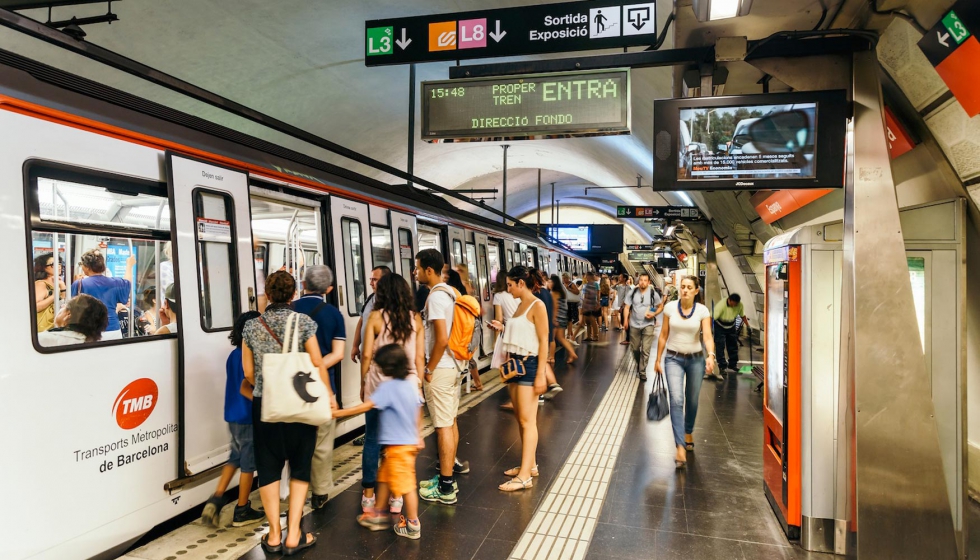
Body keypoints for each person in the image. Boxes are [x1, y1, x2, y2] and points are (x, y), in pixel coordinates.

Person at [241, 270, 336, 555]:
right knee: (300, 465)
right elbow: (317, 363)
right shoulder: (304, 322)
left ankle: (273, 535)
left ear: (267, 295)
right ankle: (294, 534)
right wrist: (329, 395)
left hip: (266, 406)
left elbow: (247, 372)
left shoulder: (252, 326)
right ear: (294, 294)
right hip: (300, 404)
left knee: (268, 468)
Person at [335, 344, 423, 539]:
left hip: (398, 448)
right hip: (403, 445)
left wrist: (338, 413)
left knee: (407, 486)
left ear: (387, 368)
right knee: (383, 479)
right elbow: (418, 408)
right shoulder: (410, 384)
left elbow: (366, 407)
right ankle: (378, 514)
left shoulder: (388, 388)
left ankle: (413, 524)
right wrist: (418, 435)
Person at [358, 273, 425, 517]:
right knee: (399, 443)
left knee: (373, 440)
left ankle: (368, 496)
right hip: (406, 388)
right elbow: (419, 357)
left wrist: (363, 381)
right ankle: (396, 498)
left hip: (378, 386)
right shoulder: (415, 319)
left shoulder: (376, 317)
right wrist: (418, 384)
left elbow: (366, 355)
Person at [201, 311, 265, 528]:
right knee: (248, 465)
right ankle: (242, 509)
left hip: (232, 415)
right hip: (248, 416)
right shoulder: (251, 356)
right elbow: (246, 387)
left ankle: (216, 499)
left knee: (235, 457)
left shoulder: (233, 354)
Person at [488, 266, 550, 491]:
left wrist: (541, 374)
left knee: (527, 421)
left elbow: (543, 340)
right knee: (520, 419)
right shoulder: (520, 305)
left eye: (511, 285)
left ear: (521, 284)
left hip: (529, 365)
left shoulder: (537, 305)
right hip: (515, 366)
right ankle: (530, 465)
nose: (509, 289)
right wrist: (503, 327)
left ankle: (524, 476)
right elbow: (524, 331)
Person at [291, 265, 346, 509]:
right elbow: (338, 354)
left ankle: (295, 490)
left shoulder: (289, 310)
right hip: (323, 387)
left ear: (303, 285)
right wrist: (315, 367)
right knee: (322, 442)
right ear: (329, 289)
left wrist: (301, 366)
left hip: (289, 385)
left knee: (296, 439)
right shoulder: (334, 314)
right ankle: (320, 492)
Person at [415, 249, 465, 505]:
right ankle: (447, 477)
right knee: (451, 420)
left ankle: (446, 487)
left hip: (442, 368)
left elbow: (441, 339)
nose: (415, 273)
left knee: (443, 425)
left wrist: (429, 368)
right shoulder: (452, 292)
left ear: (429, 270)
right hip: (455, 366)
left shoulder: (436, 298)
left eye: (418, 269)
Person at [653, 276, 716, 468]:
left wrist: (710, 355)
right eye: (682, 287)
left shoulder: (702, 310)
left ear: (696, 291)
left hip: (696, 359)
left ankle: (688, 430)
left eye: (689, 287)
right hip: (673, 358)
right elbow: (663, 335)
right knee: (677, 400)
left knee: (693, 400)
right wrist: (657, 359)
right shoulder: (670, 308)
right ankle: (680, 445)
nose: (685, 290)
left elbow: (707, 336)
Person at [71, 249, 134, 339]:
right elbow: (127, 282)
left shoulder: (79, 284)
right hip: (113, 330)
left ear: (87, 267)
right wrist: (129, 266)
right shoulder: (115, 282)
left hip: (89, 330)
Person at [443, 266, 484, 391]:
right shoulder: (464, 289)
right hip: (467, 328)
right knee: (468, 357)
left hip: (461, 329)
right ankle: (477, 382)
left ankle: (477, 383)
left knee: (466, 357)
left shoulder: (452, 293)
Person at [623, 273, 664, 382]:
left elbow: (660, 306)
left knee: (646, 350)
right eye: (641, 280)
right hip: (634, 324)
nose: (643, 282)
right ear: (638, 281)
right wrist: (625, 320)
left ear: (649, 282)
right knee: (635, 348)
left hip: (648, 324)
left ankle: (642, 371)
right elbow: (626, 307)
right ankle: (639, 364)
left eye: (645, 280)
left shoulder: (652, 293)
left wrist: (653, 313)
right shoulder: (632, 292)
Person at [351, 266, 392, 365]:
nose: (371, 283)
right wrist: (355, 346)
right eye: (371, 279)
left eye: (374, 280)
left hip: (382, 358)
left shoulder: (391, 302)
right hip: (366, 356)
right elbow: (361, 321)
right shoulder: (370, 298)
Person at [38, 294, 108, 346]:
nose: (62, 306)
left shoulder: (42, 340)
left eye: (65, 306)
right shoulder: (103, 343)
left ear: (68, 314)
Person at [712, 293, 748, 378]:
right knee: (720, 346)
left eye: (736, 304)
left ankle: (732, 364)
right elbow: (711, 317)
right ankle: (722, 366)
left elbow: (743, 315)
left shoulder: (739, 305)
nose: (734, 305)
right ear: (729, 300)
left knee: (733, 345)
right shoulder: (721, 305)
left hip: (731, 325)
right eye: (733, 303)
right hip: (720, 325)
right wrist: (709, 330)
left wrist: (748, 326)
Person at [34, 253, 67, 333]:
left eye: (59, 263)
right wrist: (54, 296)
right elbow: (36, 307)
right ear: (43, 268)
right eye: (53, 264)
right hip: (45, 329)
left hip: (56, 326)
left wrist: (62, 287)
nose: (59, 266)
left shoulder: (58, 283)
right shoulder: (41, 284)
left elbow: (64, 302)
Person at [550, 274, 577, 363]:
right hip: (563, 317)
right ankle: (572, 353)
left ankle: (551, 357)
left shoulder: (554, 293)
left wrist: (553, 319)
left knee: (552, 338)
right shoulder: (561, 291)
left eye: (550, 281)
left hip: (557, 318)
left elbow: (555, 306)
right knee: (561, 338)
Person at [492, 273, 518, 345]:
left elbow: (499, 319)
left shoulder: (498, 296)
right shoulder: (517, 293)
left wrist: (496, 341)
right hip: (521, 328)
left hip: (509, 330)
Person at [580, 272, 600, 341]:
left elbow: (586, 296)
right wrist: (598, 303)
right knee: (588, 321)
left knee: (592, 321)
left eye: (586, 276)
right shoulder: (594, 284)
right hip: (591, 304)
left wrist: (583, 306)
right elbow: (598, 295)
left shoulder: (589, 285)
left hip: (590, 305)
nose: (585, 277)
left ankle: (595, 336)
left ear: (589, 276)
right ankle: (589, 336)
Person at [562, 273, 581, 344]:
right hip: (566, 302)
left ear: (568, 278)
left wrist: (569, 289)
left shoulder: (571, 284)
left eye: (565, 278)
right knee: (568, 319)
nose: (564, 280)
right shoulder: (563, 284)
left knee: (569, 319)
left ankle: (568, 335)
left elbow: (577, 292)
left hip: (571, 303)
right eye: (563, 278)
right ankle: (571, 334)